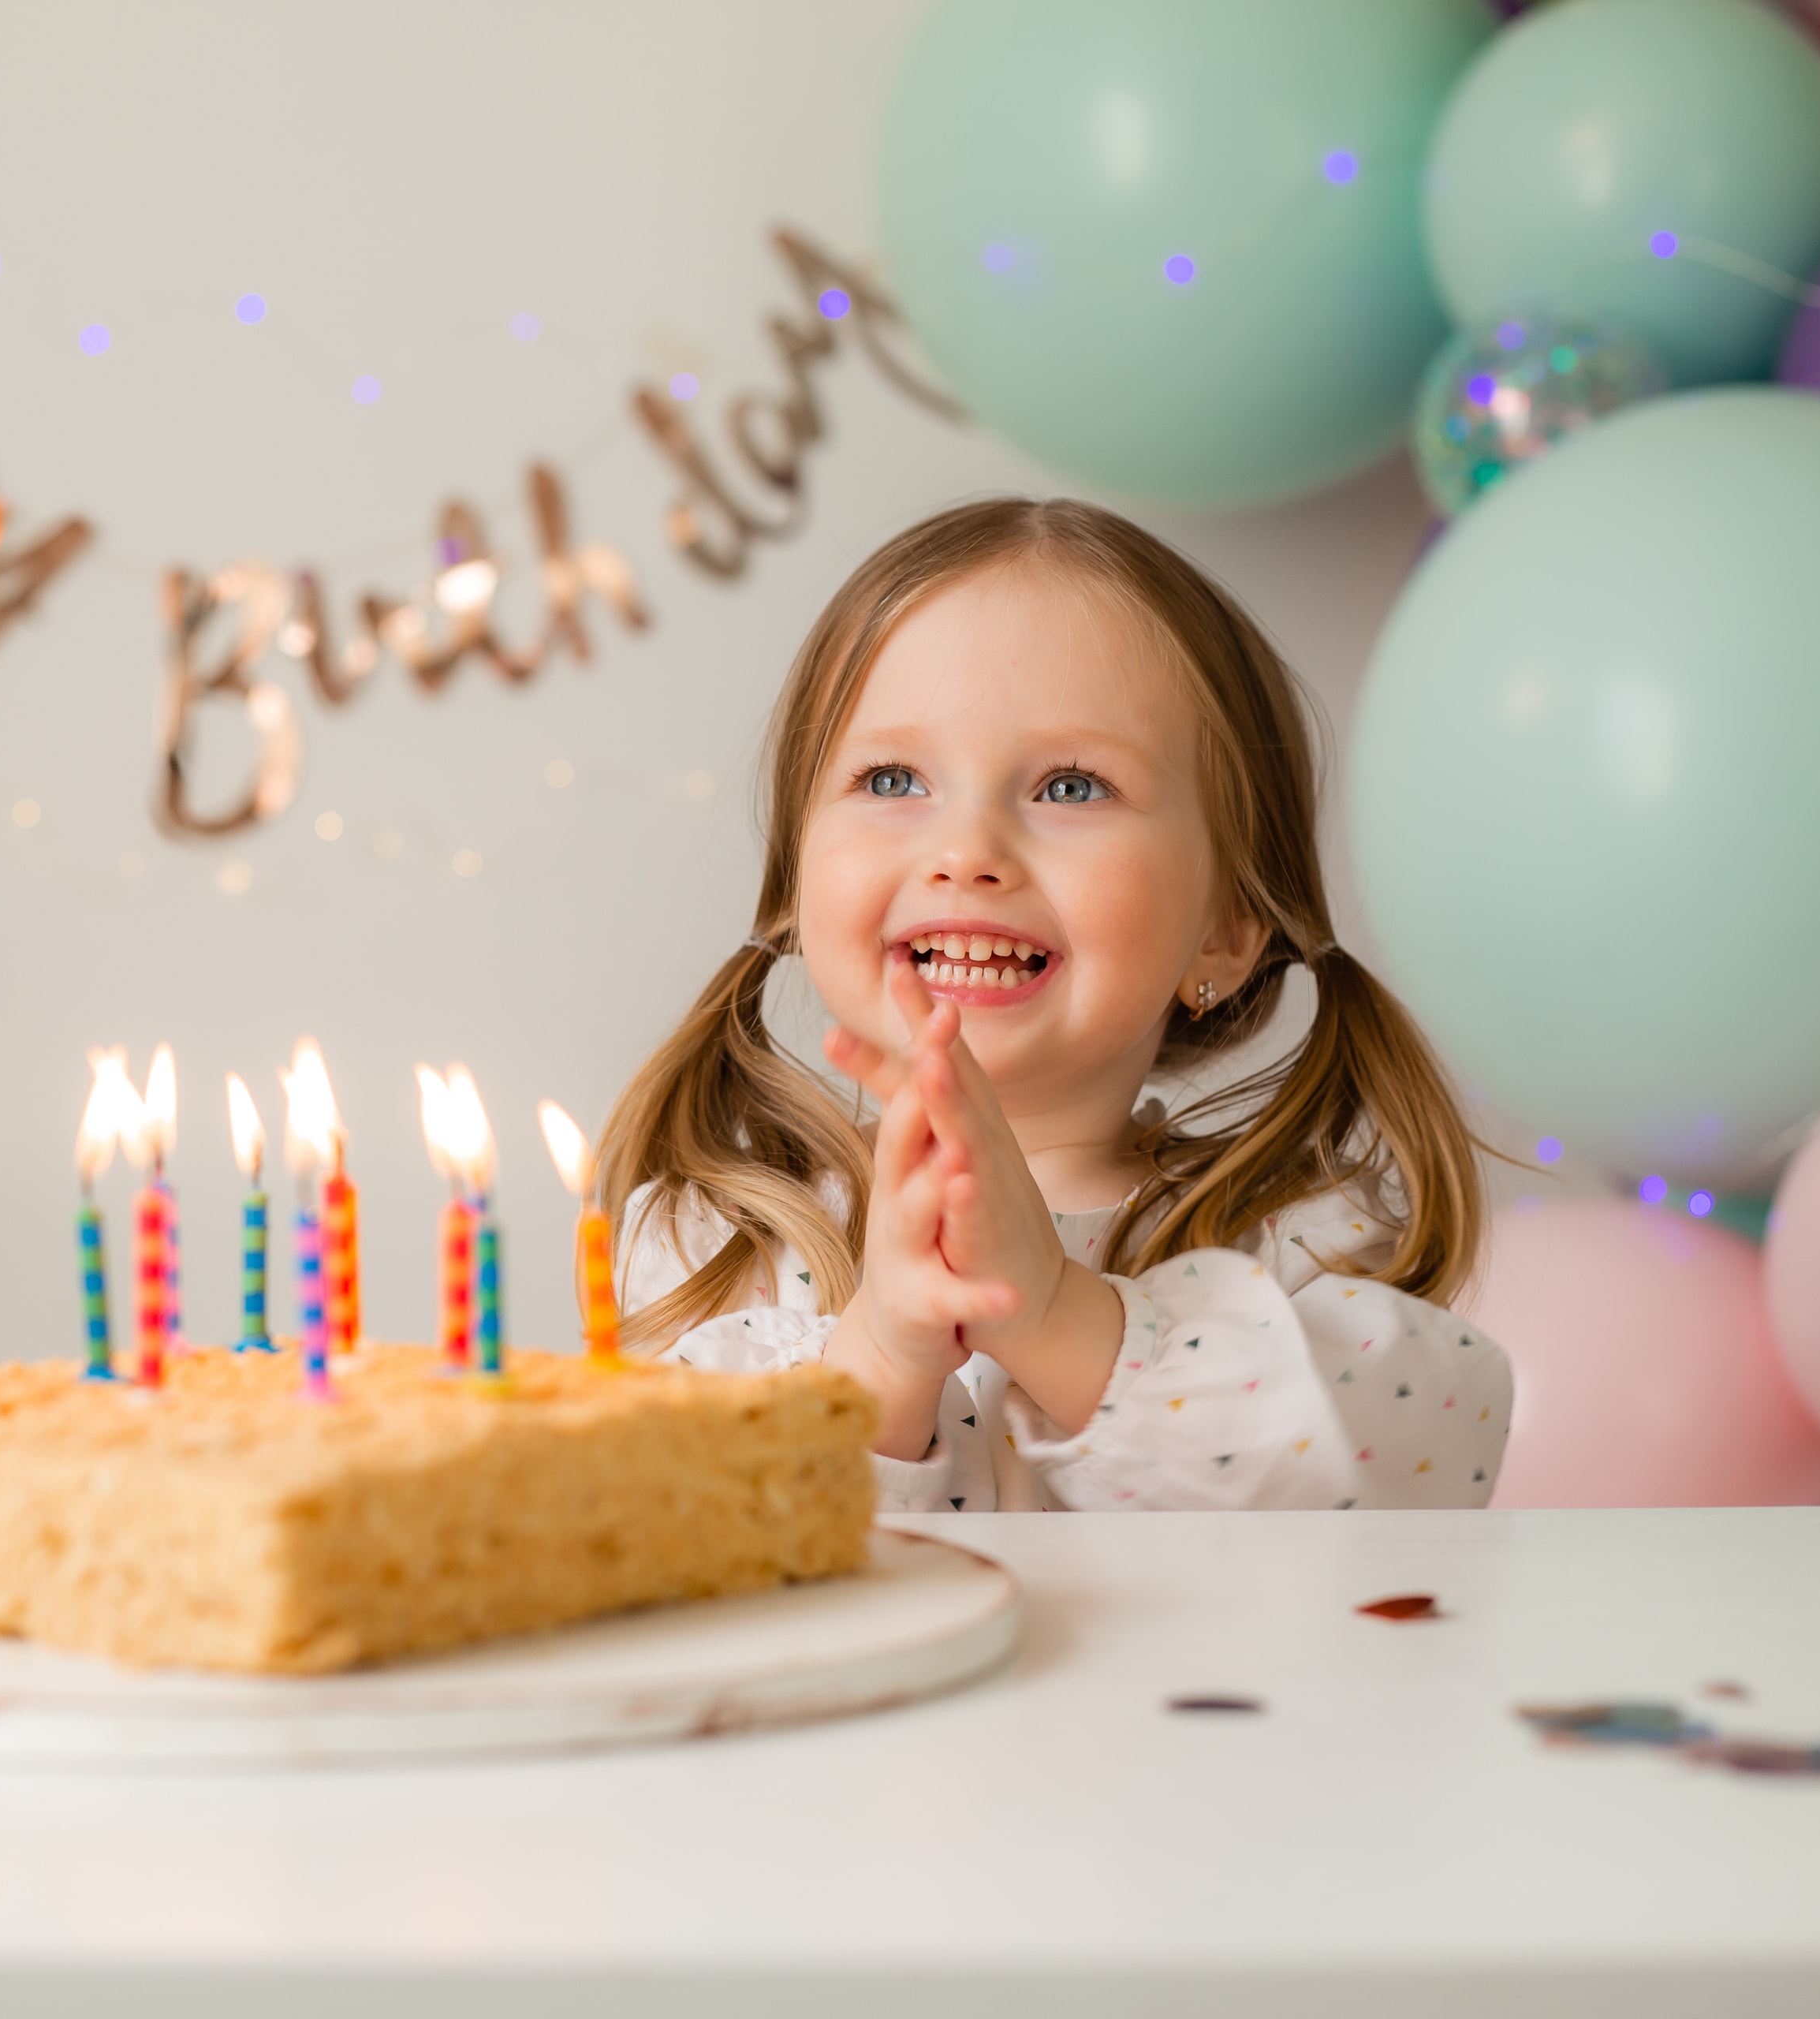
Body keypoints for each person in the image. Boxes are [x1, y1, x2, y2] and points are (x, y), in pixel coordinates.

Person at [595, 498, 1511, 1511]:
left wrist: (1055, 1313)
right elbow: (685, 1553)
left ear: (1227, 926)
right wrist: (886, 1351)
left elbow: (1407, 1476)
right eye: (893, 777)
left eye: (1072, 788)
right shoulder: (720, 1242)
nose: (968, 854)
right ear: (795, 889)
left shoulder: (1299, 1245)